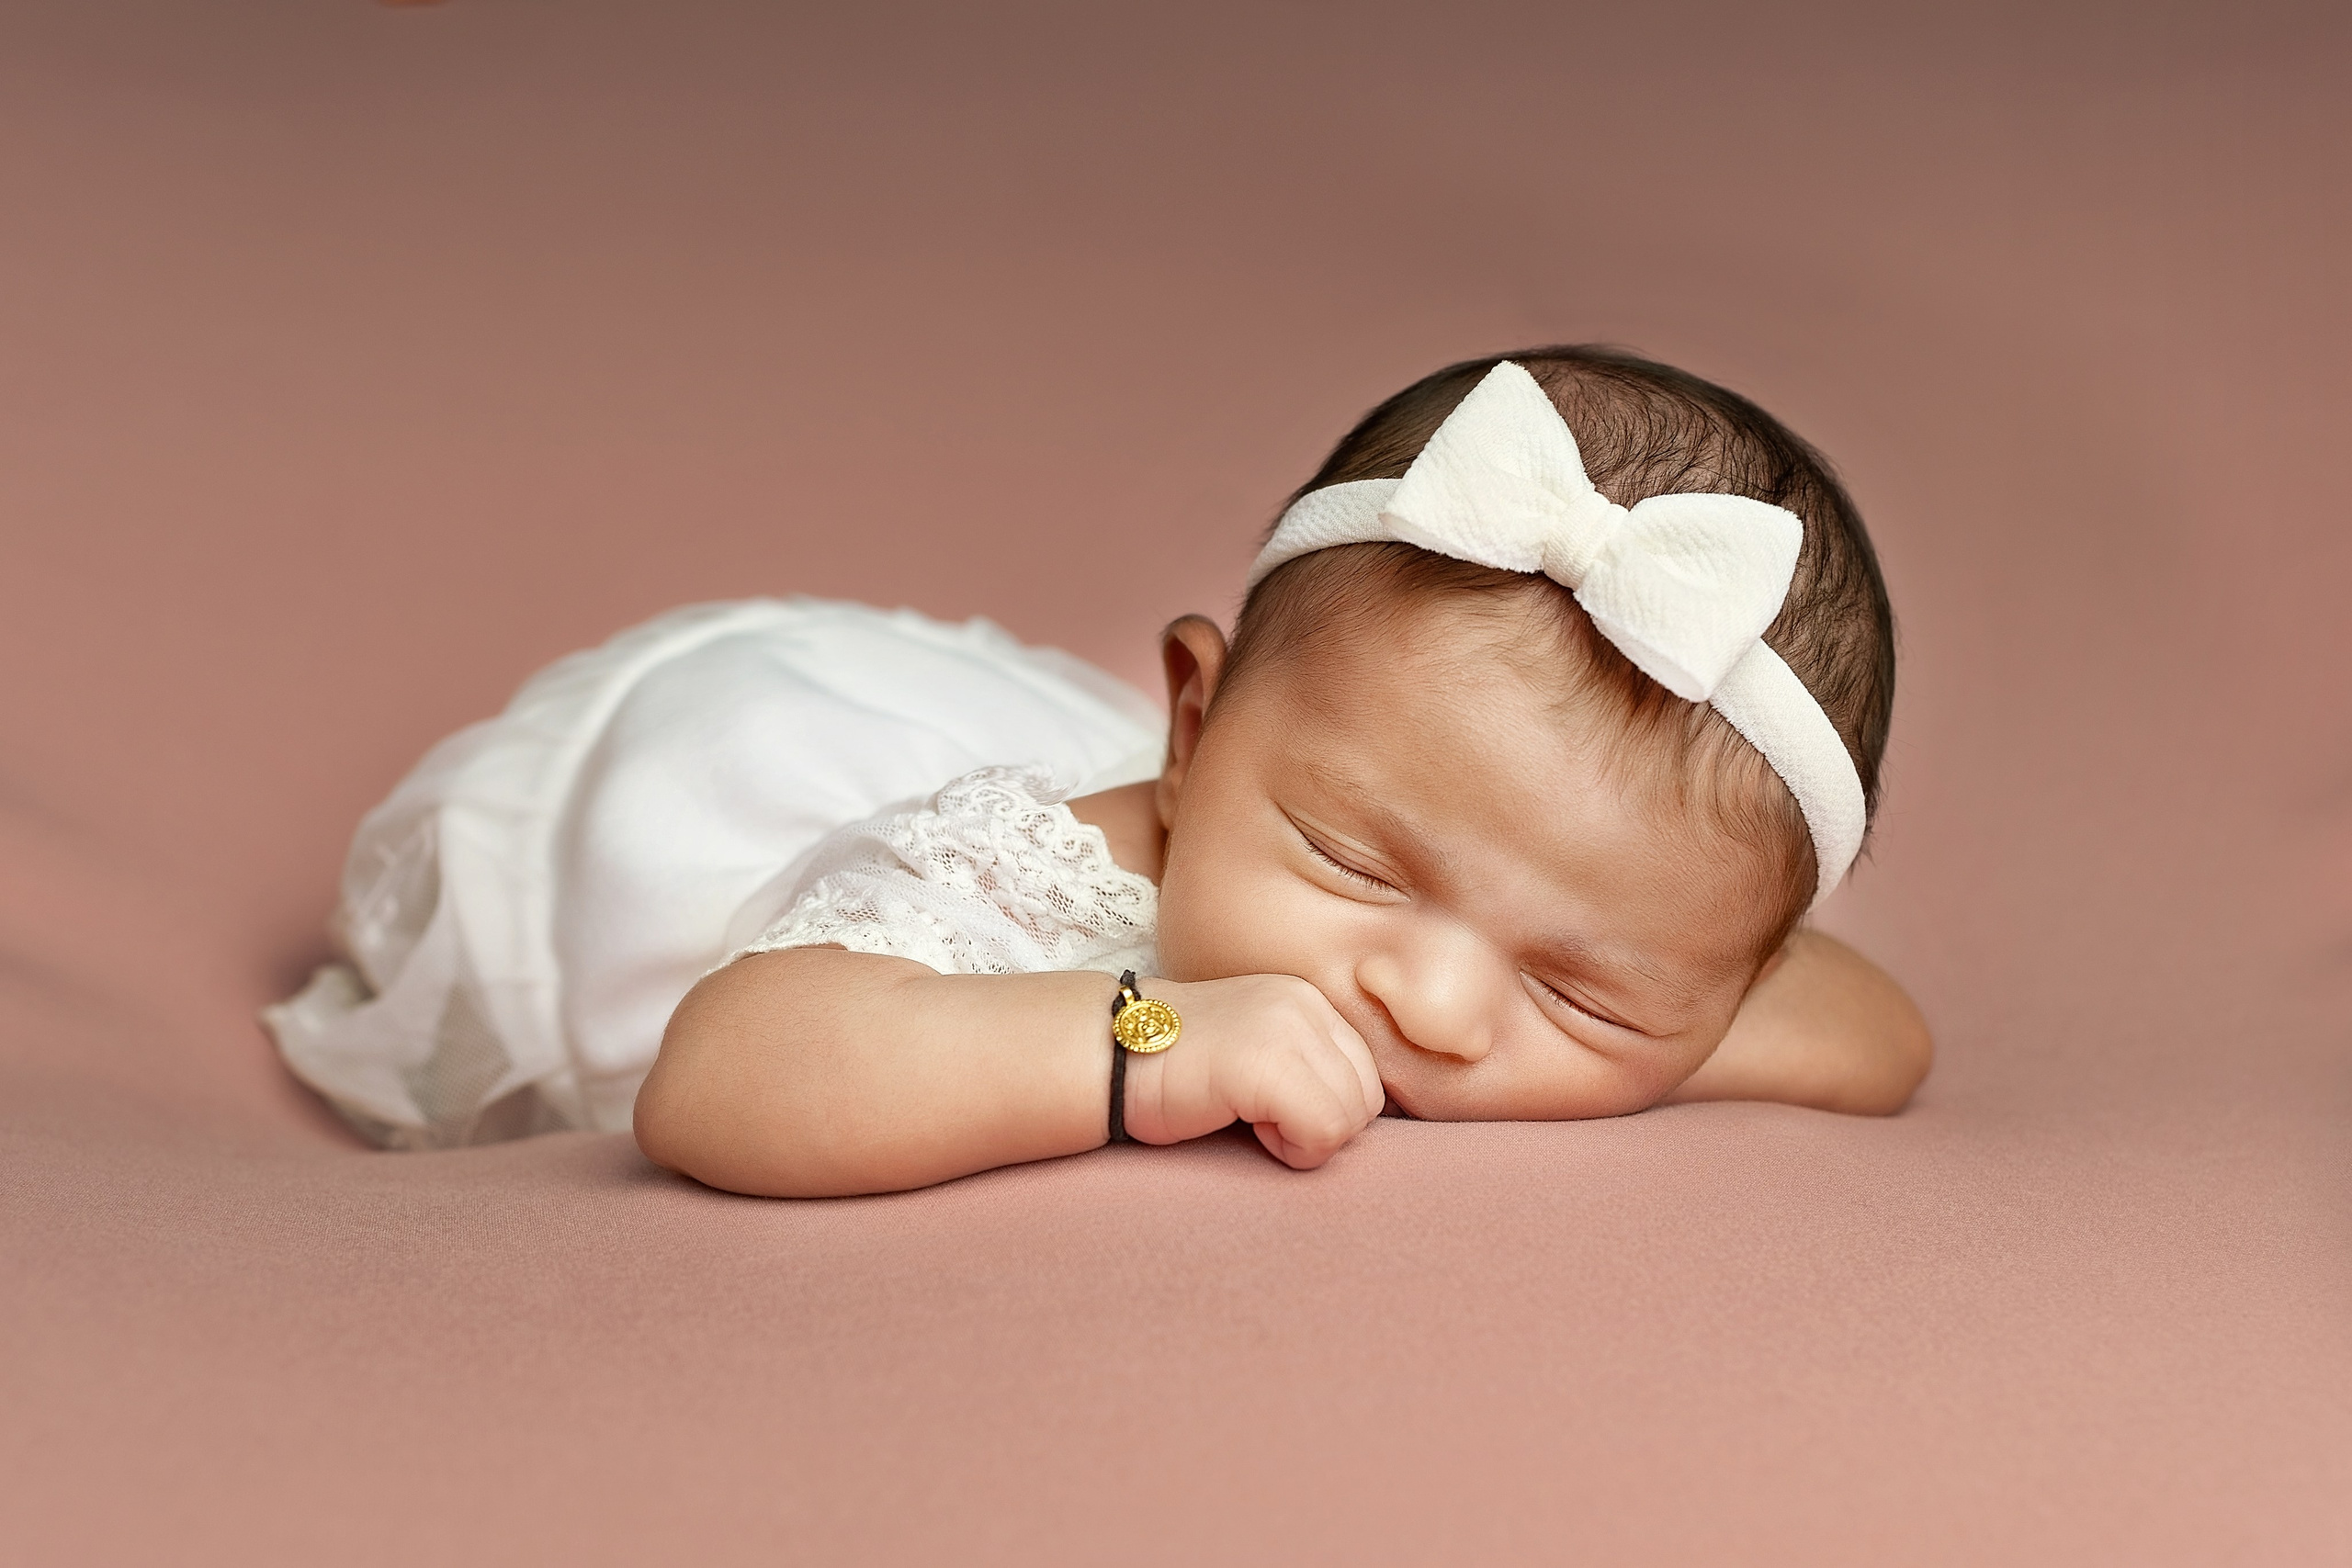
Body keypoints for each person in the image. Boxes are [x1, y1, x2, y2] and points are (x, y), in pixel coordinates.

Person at [267, 346, 1931, 1194]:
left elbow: (1878, 1033)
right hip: (701, 842)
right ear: (1194, 735)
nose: (1431, 1003)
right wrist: (1139, 1046)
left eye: (1590, 988)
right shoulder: (1015, 869)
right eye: (1356, 863)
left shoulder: (1580, 932)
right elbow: (718, 1080)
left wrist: (1646, 1040)